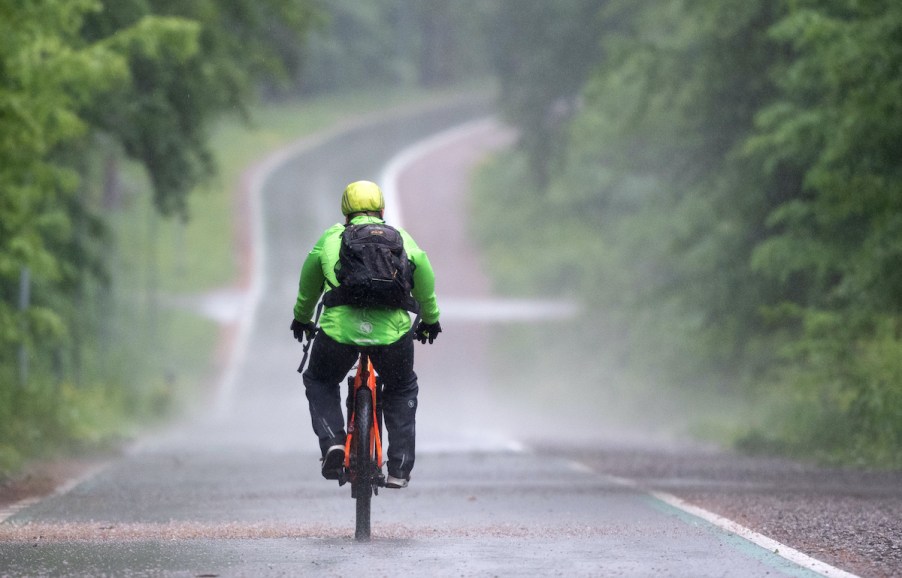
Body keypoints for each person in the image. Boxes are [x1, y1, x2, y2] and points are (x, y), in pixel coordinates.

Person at [290, 180, 442, 489]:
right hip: (392, 336)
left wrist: (302, 319)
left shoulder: (332, 238)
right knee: (400, 388)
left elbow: (308, 286)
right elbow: (423, 271)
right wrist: (430, 318)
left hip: (338, 335)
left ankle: (333, 440)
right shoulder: (400, 239)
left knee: (319, 380)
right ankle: (398, 466)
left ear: (345, 211)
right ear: (382, 210)